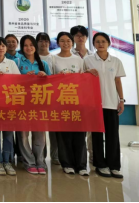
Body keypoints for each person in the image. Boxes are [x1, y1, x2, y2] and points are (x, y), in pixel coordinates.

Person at [85, 32, 126, 179]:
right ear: (94, 44)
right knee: (96, 136)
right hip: (94, 104)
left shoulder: (115, 61)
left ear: (108, 43)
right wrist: (87, 71)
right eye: (97, 41)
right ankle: (100, 165)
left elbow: (118, 81)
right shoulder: (88, 60)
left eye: (103, 41)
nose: (100, 44)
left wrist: (121, 100)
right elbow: (81, 77)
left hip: (111, 103)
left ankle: (114, 166)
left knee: (112, 136)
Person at [51, 32, 88, 176]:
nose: (65, 43)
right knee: (63, 135)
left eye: (68, 41)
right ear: (58, 43)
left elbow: (84, 79)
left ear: (72, 42)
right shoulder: (53, 59)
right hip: (60, 102)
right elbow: (50, 80)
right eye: (62, 41)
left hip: (77, 102)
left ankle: (81, 165)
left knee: (80, 134)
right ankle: (67, 164)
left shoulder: (78, 59)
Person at [16, 35, 52, 176]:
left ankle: (40, 162)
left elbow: (52, 84)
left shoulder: (44, 64)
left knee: (40, 135)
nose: (29, 48)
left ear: (35, 47)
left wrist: (44, 77)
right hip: (22, 103)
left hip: (39, 103)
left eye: (31, 45)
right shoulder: (17, 62)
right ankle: (29, 162)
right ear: (22, 47)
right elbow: (11, 82)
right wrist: (24, 78)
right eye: (25, 45)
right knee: (23, 135)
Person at [0, 37, 19, 176]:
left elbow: (18, 82)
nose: (0, 48)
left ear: (6, 48)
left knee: (8, 134)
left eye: (3, 46)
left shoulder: (11, 63)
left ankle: (7, 161)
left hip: (9, 104)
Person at [70, 25, 95, 163]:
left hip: (91, 96)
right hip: (74, 95)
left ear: (86, 37)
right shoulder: (69, 54)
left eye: (83, 35)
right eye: (77, 35)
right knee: (77, 128)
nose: (80, 38)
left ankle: (92, 155)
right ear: (73, 38)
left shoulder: (93, 55)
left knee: (92, 127)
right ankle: (77, 156)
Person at [36, 32, 58, 166]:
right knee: (40, 129)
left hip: (52, 96)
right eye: (41, 41)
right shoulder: (33, 57)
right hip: (37, 97)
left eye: (46, 41)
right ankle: (41, 156)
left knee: (54, 128)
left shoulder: (54, 58)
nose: (43, 43)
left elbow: (56, 76)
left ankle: (55, 156)